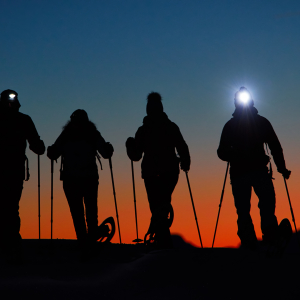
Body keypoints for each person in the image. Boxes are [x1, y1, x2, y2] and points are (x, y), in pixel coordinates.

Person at [217, 87, 291, 249]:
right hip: (256, 171)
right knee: (264, 205)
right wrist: (282, 168)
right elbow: (275, 147)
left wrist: (282, 168)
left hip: (241, 173)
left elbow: (221, 152)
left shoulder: (231, 125)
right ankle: (269, 238)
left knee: (246, 209)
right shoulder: (261, 122)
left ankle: (252, 243)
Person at [126, 92, 190, 249]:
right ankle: (162, 239)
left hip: (152, 173)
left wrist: (129, 146)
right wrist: (185, 161)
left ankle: (161, 240)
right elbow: (182, 146)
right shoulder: (170, 126)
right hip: (169, 172)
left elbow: (135, 156)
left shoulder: (144, 130)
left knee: (157, 206)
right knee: (161, 205)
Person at [47, 109, 113, 259]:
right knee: (88, 212)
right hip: (87, 178)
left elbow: (54, 153)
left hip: (73, 179)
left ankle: (85, 244)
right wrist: (108, 149)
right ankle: (89, 243)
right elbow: (105, 152)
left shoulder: (67, 134)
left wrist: (51, 151)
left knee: (79, 213)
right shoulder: (91, 133)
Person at [0, 89, 45, 263]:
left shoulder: (22, 120)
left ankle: (8, 245)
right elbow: (36, 145)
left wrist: (38, 146)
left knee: (8, 206)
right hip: (14, 170)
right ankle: (11, 246)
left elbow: (36, 144)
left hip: (12, 170)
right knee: (11, 207)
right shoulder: (23, 120)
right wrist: (40, 147)